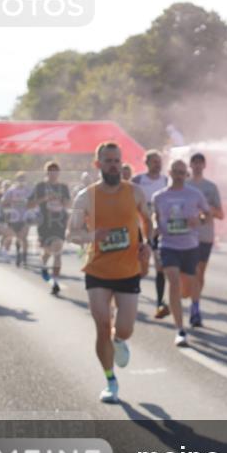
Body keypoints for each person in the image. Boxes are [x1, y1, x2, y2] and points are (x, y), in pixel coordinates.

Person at [68, 142, 152, 403]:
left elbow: (148, 221)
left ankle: (119, 340)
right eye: (108, 161)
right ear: (98, 165)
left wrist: (147, 244)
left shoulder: (135, 192)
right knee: (102, 325)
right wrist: (93, 235)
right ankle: (110, 380)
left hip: (128, 270)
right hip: (97, 270)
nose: (113, 165)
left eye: (117, 160)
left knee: (124, 330)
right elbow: (72, 234)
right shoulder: (85, 197)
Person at [152, 158, 210, 347]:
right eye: (175, 171)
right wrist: (155, 227)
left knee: (186, 290)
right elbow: (156, 216)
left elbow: (207, 214)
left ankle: (181, 303)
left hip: (190, 246)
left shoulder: (195, 194)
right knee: (173, 282)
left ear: (186, 174)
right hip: (168, 245)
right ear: (169, 173)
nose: (178, 176)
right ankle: (180, 329)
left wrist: (199, 221)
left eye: (182, 172)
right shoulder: (159, 196)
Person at [187, 152, 224, 328]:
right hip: (186, 236)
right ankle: (195, 307)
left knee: (200, 273)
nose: (197, 166)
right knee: (192, 272)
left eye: (200, 163)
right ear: (190, 165)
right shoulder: (184, 185)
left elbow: (220, 214)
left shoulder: (211, 187)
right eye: (194, 163)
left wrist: (208, 210)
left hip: (205, 235)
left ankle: (195, 303)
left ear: (204, 165)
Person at [132, 150, 170, 318]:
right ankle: (131, 293)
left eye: (159, 161)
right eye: (154, 161)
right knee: (142, 269)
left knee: (160, 267)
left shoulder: (166, 181)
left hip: (159, 231)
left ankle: (159, 303)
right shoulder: (138, 181)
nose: (157, 164)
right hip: (140, 230)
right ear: (146, 163)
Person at [29, 161, 72, 295]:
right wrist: (45, 198)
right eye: (51, 171)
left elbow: (69, 205)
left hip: (59, 223)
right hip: (44, 224)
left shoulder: (63, 187)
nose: (53, 173)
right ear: (47, 173)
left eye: (56, 171)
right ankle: (43, 264)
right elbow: (29, 205)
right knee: (48, 251)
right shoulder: (40, 187)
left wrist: (62, 201)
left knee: (58, 250)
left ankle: (55, 282)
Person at [0, 172, 32, 267]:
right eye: (19, 179)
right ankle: (18, 254)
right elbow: (3, 201)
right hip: (14, 218)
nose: (21, 181)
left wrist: (29, 204)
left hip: (25, 217)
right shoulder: (11, 190)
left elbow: (34, 201)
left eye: (23, 179)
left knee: (24, 237)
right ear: (16, 180)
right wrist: (11, 201)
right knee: (18, 237)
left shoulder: (28, 190)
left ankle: (25, 258)